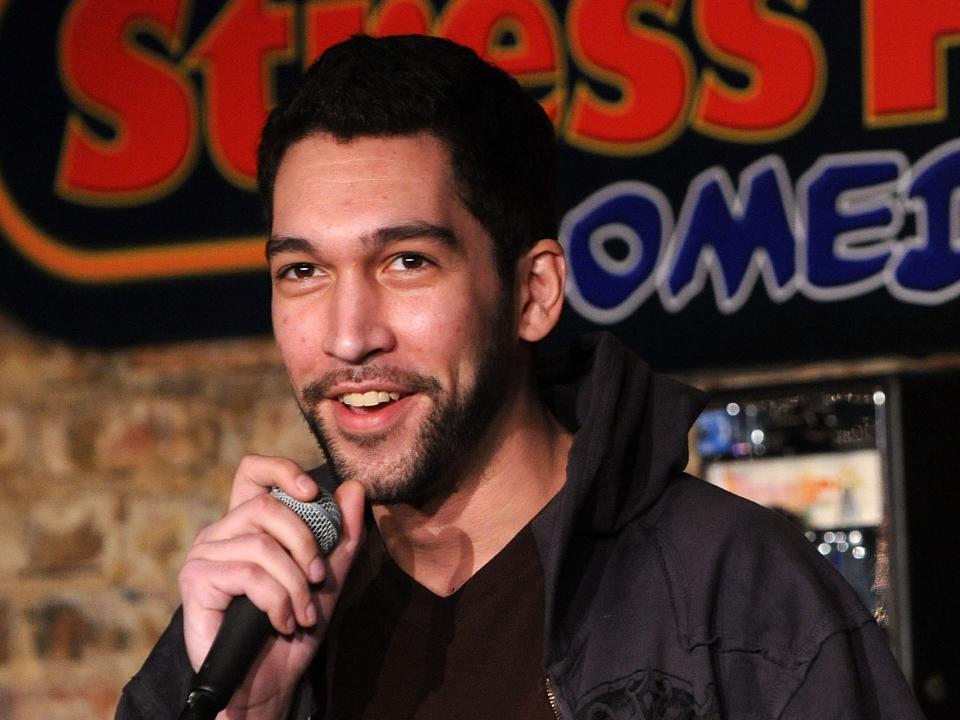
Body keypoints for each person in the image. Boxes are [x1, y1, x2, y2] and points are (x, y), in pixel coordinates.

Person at [116, 34, 924, 720]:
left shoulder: (741, 594)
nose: (347, 335)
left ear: (533, 293)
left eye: (406, 262)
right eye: (302, 271)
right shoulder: (248, 616)